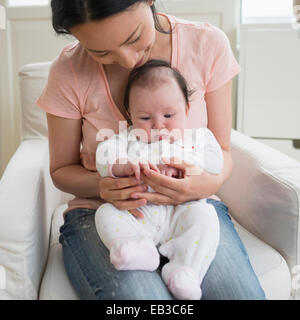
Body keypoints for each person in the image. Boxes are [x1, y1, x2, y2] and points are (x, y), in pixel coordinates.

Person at [37, 0, 266, 299]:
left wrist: (203, 184)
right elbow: (61, 171)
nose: (128, 60)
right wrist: (105, 184)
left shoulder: (206, 44)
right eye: (101, 52)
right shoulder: (68, 71)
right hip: (103, 213)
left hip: (191, 208)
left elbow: (221, 150)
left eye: (133, 38)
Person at [95, 59, 223, 300]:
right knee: (105, 212)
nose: (158, 125)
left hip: (183, 212)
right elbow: (104, 154)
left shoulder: (197, 138)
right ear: (131, 117)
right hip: (139, 213)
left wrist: (187, 168)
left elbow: (216, 161)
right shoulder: (127, 139)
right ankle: (135, 248)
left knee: (206, 218)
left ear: (186, 109)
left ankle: (185, 270)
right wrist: (122, 166)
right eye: (145, 118)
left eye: (168, 114)